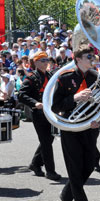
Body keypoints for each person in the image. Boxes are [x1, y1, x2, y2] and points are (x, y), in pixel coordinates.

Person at [52, 45, 100, 201]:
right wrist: (75, 98)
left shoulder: (96, 77)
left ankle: (66, 194)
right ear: (78, 59)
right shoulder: (65, 78)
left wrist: (98, 117)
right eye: (89, 56)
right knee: (74, 170)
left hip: (89, 127)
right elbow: (55, 106)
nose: (92, 59)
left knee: (88, 165)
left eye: (93, 56)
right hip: (70, 128)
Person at [18, 52, 61, 181]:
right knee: (46, 142)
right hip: (38, 113)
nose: (46, 62)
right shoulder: (31, 77)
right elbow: (21, 95)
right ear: (35, 62)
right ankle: (50, 171)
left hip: (50, 112)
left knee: (48, 140)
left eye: (47, 60)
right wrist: (35, 103)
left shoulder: (50, 75)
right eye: (42, 60)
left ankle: (35, 164)